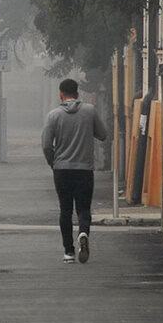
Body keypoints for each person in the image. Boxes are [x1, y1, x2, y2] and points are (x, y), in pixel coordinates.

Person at [41, 78, 107, 264]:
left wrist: (53, 162)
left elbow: (46, 144)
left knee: (65, 210)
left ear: (61, 94)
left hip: (62, 170)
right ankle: (83, 233)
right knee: (84, 208)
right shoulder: (89, 111)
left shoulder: (53, 116)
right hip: (84, 169)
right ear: (77, 94)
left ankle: (68, 252)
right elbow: (103, 135)